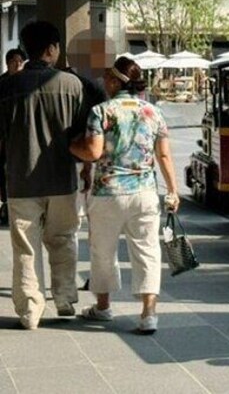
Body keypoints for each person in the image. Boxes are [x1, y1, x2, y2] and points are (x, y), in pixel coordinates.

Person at [69, 57, 179, 335]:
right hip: (144, 193)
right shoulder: (153, 112)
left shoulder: (101, 111)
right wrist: (174, 191)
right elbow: (163, 154)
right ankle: (148, 314)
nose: (104, 82)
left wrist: (71, 147)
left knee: (102, 251)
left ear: (118, 81)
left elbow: (93, 153)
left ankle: (103, 307)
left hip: (108, 193)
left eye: (108, 77)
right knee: (147, 252)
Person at [0, 21, 88, 329]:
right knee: (63, 238)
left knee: (26, 245)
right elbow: (82, 136)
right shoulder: (72, 85)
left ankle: (29, 311)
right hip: (63, 179)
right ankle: (64, 298)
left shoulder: (6, 87)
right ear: (51, 49)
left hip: (20, 180)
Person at [0, 47, 27, 226]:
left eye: (20, 61)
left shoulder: (28, 83)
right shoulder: (2, 84)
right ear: (7, 64)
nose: (17, 65)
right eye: (13, 62)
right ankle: (6, 205)